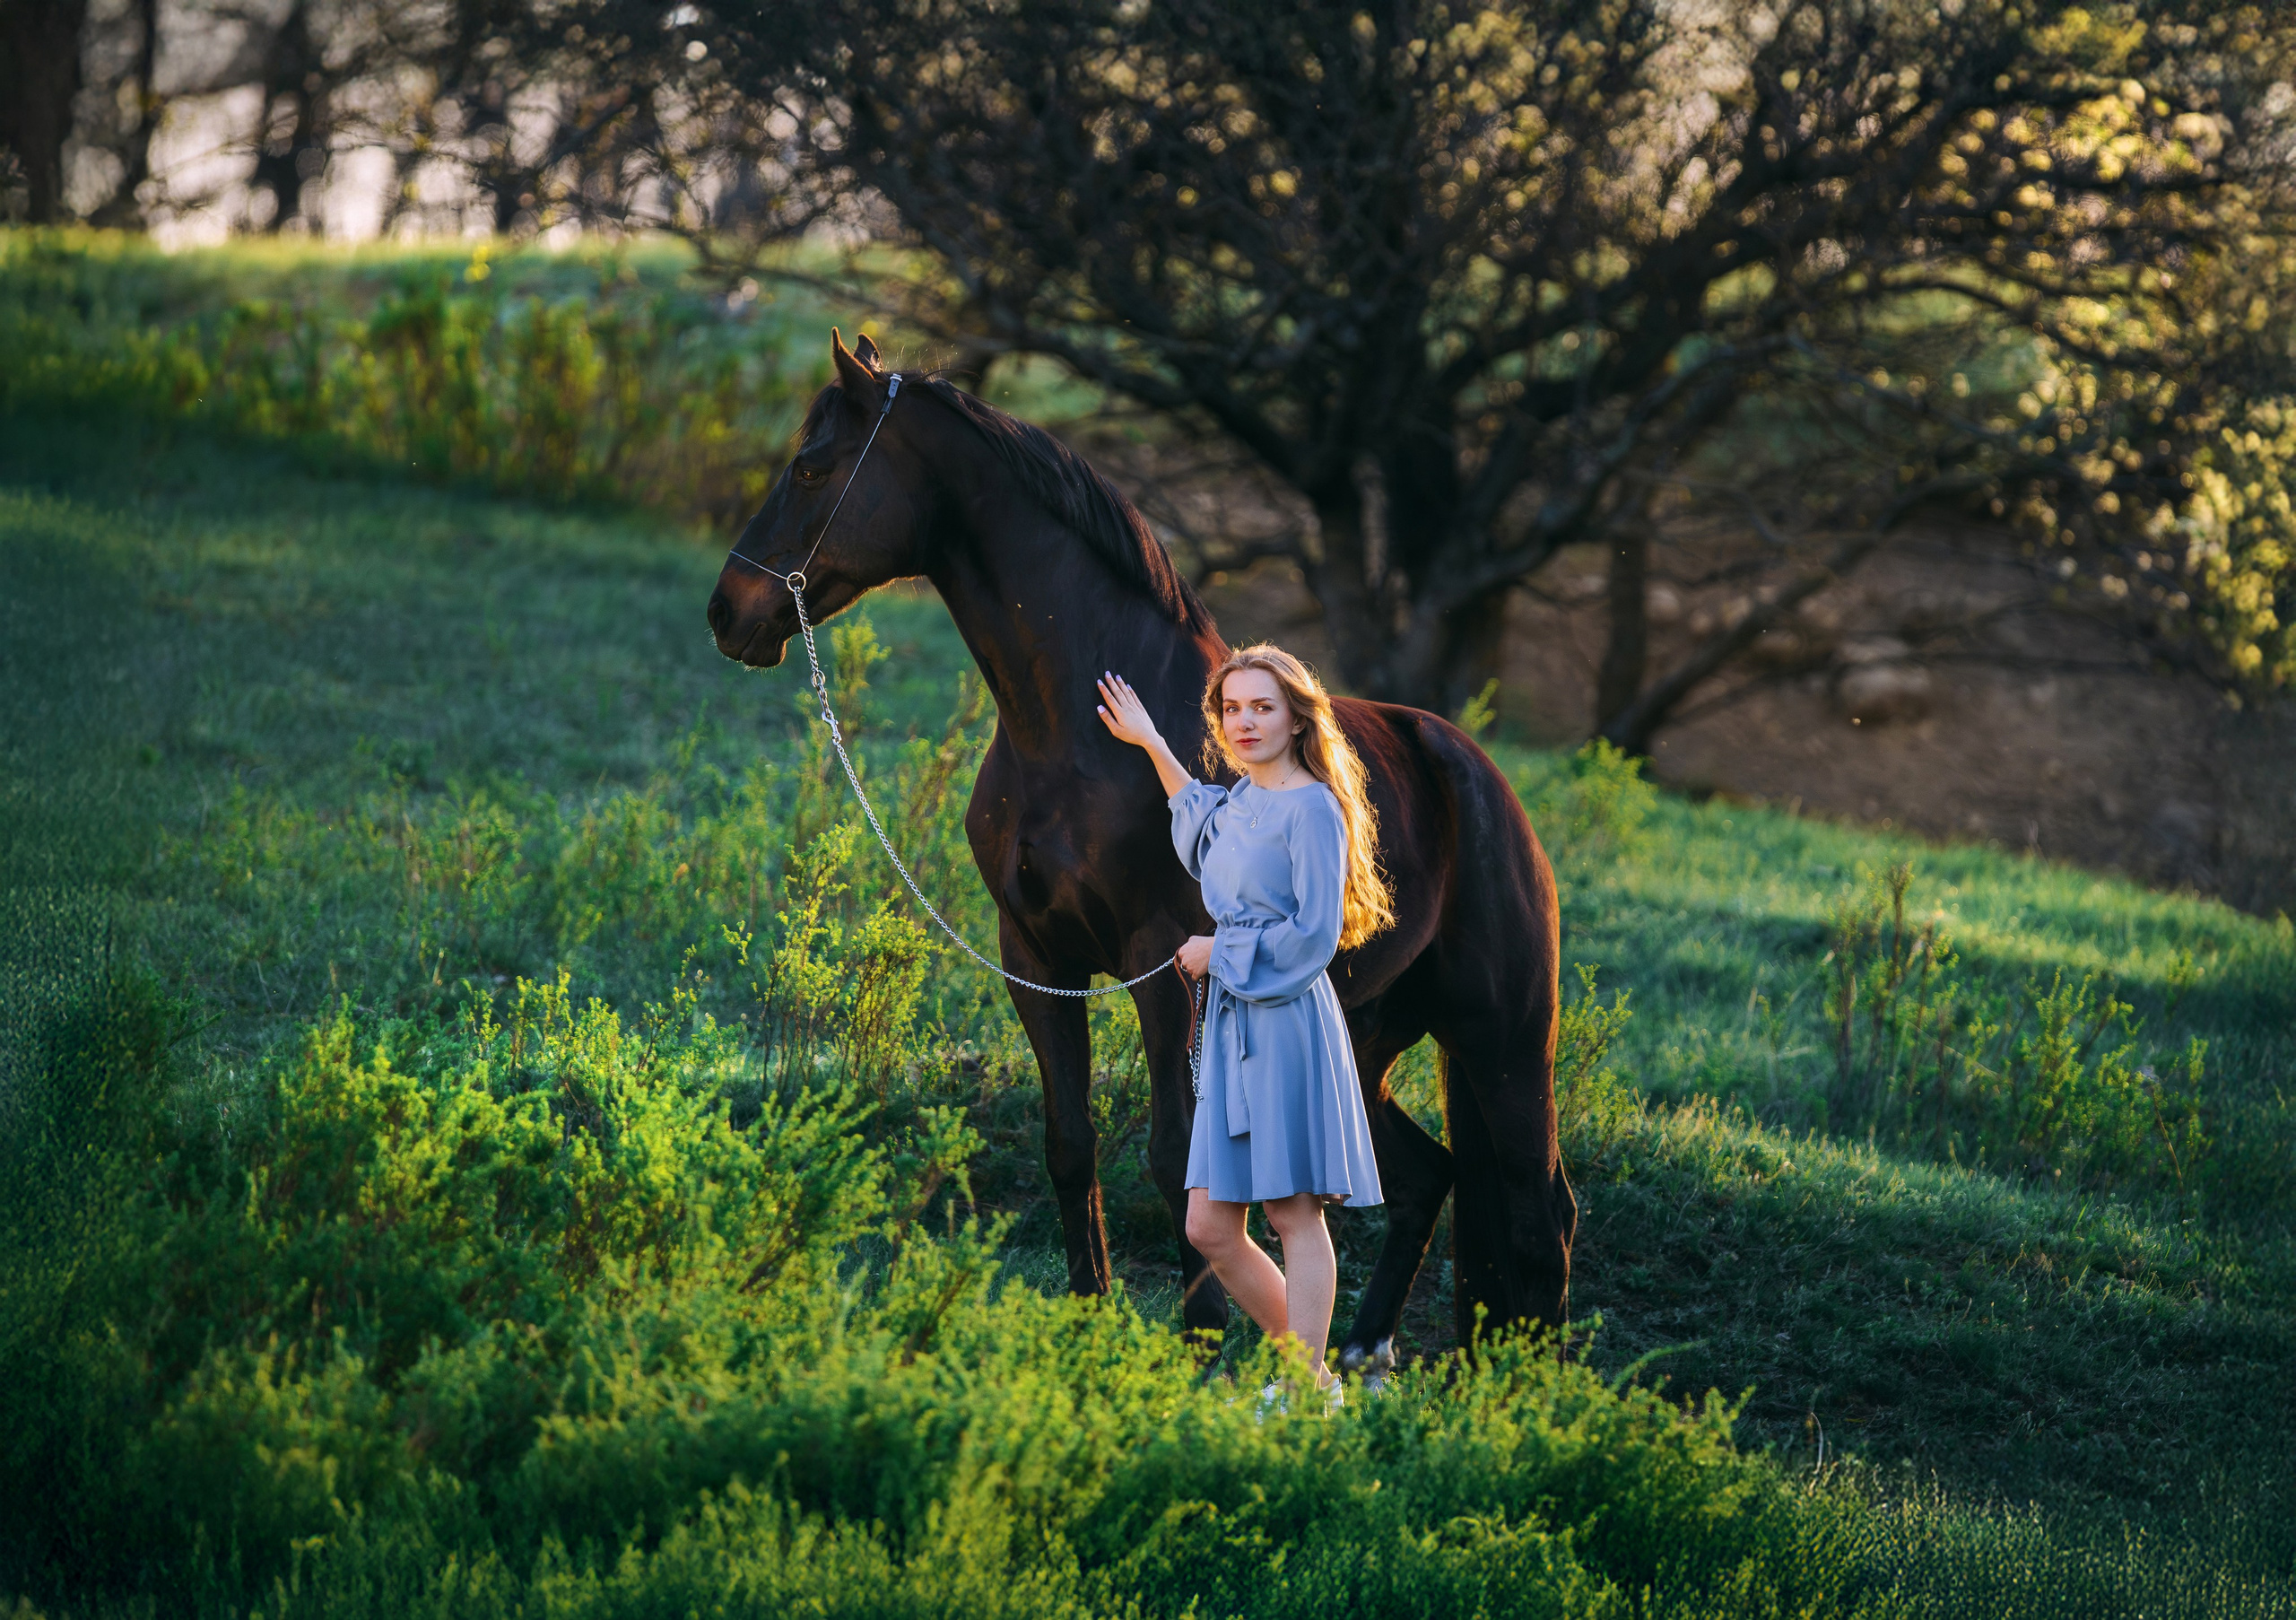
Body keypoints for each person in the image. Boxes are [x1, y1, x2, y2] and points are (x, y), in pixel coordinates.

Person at [1095, 645, 1393, 1407]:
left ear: (1298, 717)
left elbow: (1313, 935)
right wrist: (1154, 744)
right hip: (1233, 1028)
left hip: (1287, 1021)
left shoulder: (1313, 810)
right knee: (1209, 1227)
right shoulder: (1240, 801)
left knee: (1293, 1214)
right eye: (1232, 709)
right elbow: (1198, 826)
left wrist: (1216, 949)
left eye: (1262, 707)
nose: (1245, 722)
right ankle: (1317, 1384)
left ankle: (1301, 1402)